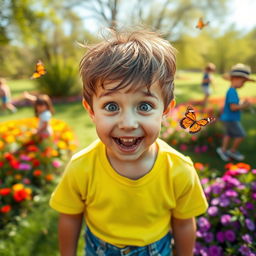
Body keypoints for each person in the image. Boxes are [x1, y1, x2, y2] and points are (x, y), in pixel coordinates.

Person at [50, 29, 208, 256]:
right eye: (111, 106)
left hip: (156, 249)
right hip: (99, 249)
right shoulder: (81, 167)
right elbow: (70, 217)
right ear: (91, 110)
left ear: (165, 110)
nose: (127, 123)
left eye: (144, 106)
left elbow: (183, 224)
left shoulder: (179, 169)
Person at [216, 63, 255, 162]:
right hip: (231, 119)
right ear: (235, 79)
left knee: (228, 135)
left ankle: (223, 150)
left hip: (227, 118)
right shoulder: (232, 92)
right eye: (243, 82)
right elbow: (233, 107)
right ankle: (232, 151)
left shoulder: (231, 91)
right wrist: (245, 105)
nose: (243, 84)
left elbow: (232, 105)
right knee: (241, 135)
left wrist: (241, 103)